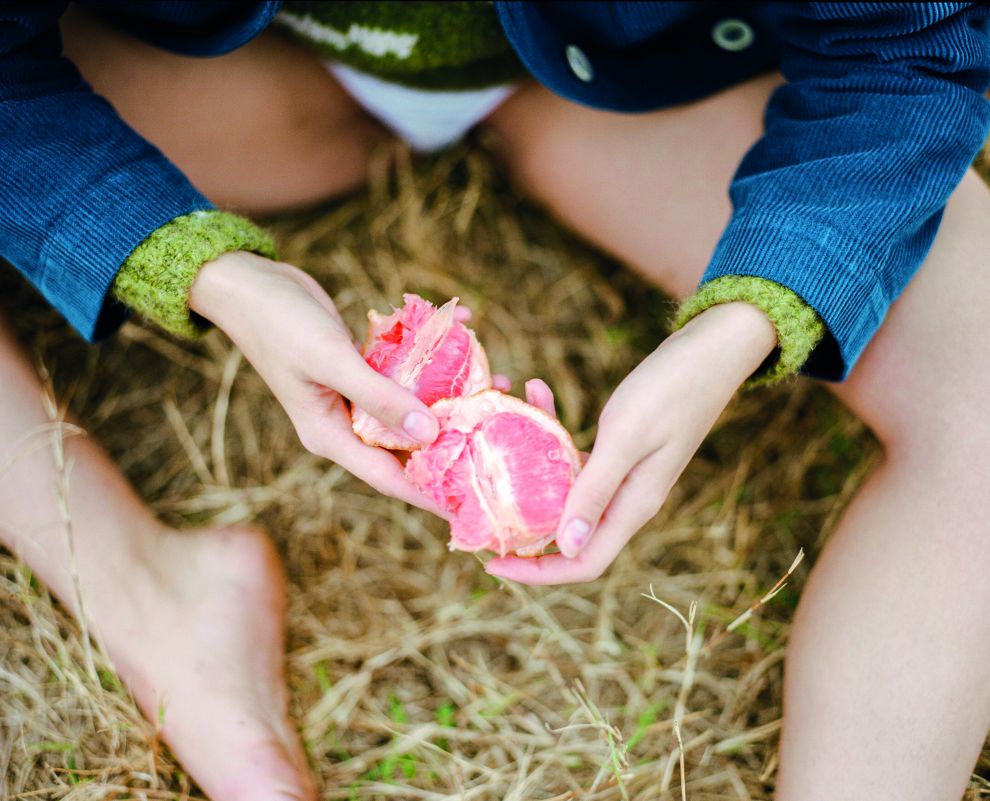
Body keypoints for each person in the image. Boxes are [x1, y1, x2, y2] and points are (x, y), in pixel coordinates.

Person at [1, 2, 988, 799]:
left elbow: (906, 49)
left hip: (632, 90)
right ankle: (146, 591)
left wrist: (746, 321)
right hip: (240, 72)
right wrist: (201, 268)